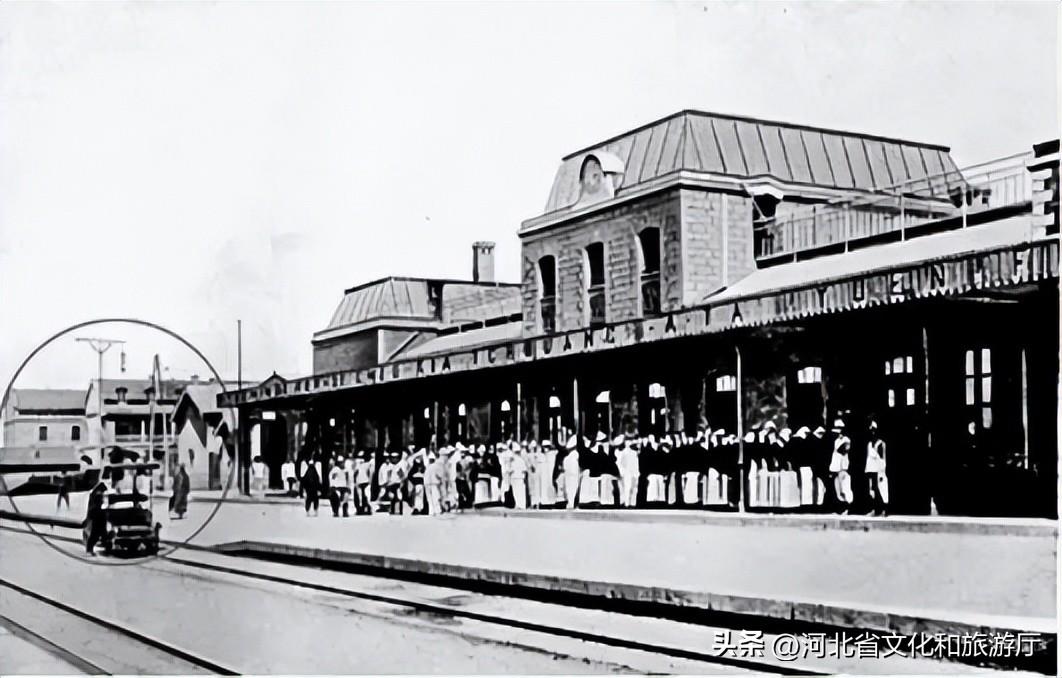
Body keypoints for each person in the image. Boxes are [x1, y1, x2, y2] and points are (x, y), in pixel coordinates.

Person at [864, 420, 888, 516]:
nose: (872, 432)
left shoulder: (881, 444)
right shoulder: (869, 444)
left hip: (879, 470)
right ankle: (875, 509)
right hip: (871, 470)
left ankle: (882, 509)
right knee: (872, 490)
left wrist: (882, 471)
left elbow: (882, 459)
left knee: (881, 489)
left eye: (874, 430)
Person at [829, 419, 852, 513]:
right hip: (836, 467)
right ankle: (841, 507)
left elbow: (844, 449)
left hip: (843, 467)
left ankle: (847, 506)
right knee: (837, 489)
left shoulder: (846, 439)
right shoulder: (836, 440)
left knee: (845, 488)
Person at [83, 481, 108, 556]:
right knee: (95, 536)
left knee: (97, 536)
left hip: (98, 521)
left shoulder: (96, 493)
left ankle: (92, 549)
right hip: (98, 522)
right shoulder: (96, 494)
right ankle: (90, 549)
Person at [617, 435, 640, 508]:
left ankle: (633, 503)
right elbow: (619, 463)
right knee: (627, 488)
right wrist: (622, 472)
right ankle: (626, 503)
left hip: (634, 472)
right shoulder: (623, 452)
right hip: (627, 472)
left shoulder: (635, 452)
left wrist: (637, 472)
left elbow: (637, 463)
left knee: (634, 488)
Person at [510, 444, 529, 509]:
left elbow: (510, 470)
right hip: (520, 477)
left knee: (516, 492)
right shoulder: (521, 460)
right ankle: (521, 505)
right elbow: (524, 470)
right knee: (520, 492)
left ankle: (519, 504)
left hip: (515, 477)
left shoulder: (513, 461)